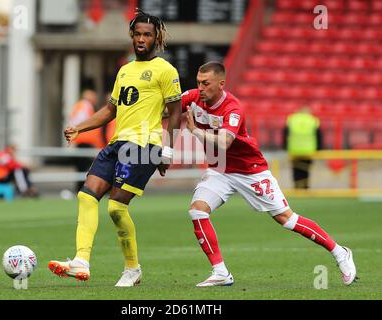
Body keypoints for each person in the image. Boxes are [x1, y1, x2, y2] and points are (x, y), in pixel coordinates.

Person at [182, 61, 356, 287]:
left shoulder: (233, 108)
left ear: (221, 84)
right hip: (220, 170)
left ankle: (340, 252)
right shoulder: (194, 97)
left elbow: (225, 142)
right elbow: (167, 104)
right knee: (197, 211)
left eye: (206, 83)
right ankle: (220, 272)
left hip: (250, 170)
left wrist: (195, 131)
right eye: (198, 83)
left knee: (287, 219)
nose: (200, 88)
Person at [48, 9, 182, 287]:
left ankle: (132, 269)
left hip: (144, 146)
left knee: (116, 209)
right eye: (137, 34)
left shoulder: (166, 70)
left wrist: (167, 150)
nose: (141, 39)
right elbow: (110, 110)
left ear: (157, 38)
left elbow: (175, 112)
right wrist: (79, 127)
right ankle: (81, 260)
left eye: (147, 34)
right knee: (87, 196)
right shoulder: (124, 71)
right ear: (132, 36)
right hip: (117, 143)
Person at [69, 89, 104, 192]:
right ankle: (82, 189)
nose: (95, 98)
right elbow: (79, 121)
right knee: (84, 167)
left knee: (82, 166)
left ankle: (82, 188)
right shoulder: (85, 105)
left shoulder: (81, 105)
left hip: (83, 140)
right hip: (84, 141)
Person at [283, 106, 322, 189]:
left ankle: (296, 186)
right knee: (306, 169)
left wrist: (285, 147)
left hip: (294, 149)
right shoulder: (313, 120)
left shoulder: (292, 119)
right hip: (309, 149)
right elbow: (319, 136)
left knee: (296, 169)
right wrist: (319, 148)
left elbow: (285, 133)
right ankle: (305, 186)